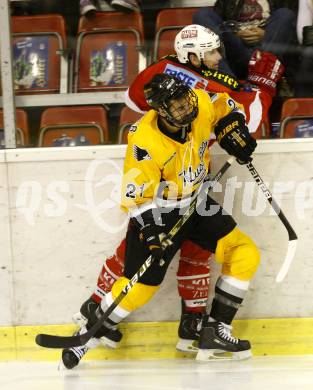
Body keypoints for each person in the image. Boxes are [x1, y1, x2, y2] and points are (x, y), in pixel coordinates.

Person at [69, 24, 284, 357]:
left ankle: (216, 329)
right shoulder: (143, 141)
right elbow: (136, 197)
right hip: (159, 211)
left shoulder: (198, 98)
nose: (187, 109)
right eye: (178, 106)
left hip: (196, 205)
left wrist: (234, 131)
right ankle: (97, 322)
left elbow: (226, 109)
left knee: (244, 253)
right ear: (161, 110)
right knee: (142, 286)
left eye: (186, 102)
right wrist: (153, 232)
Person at [193, 0, 296, 79]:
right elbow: (216, 27)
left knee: (285, 14)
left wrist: (265, 34)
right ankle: (227, 79)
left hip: (267, 48)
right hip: (236, 48)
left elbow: (292, 30)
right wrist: (234, 32)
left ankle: (262, 77)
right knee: (202, 14)